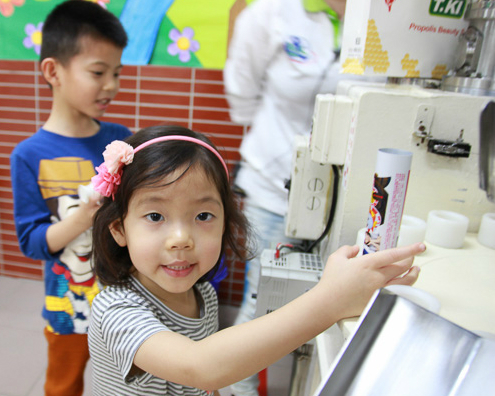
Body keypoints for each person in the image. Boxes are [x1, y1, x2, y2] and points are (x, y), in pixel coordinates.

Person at [87, 124, 423, 396]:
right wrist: (331, 300)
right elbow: (200, 366)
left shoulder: (202, 295)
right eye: (156, 216)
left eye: (203, 215)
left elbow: (203, 383)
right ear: (119, 230)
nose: (181, 239)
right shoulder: (116, 311)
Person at [223, 0, 366, 393]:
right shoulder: (271, 13)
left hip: (344, 197)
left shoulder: (380, 16)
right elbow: (242, 93)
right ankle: (237, 387)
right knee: (262, 301)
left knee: (324, 308)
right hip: (274, 188)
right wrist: (282, 148)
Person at [9, 1, 131, 394]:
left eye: (116, 73)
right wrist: (84, 217)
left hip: (123, 300)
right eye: (98, 72)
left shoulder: (120, 139)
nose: (111, 85)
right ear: (52, 71)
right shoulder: (28, 155)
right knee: (63, 386)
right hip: (67, 306)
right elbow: (32, 243)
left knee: (126, 385)